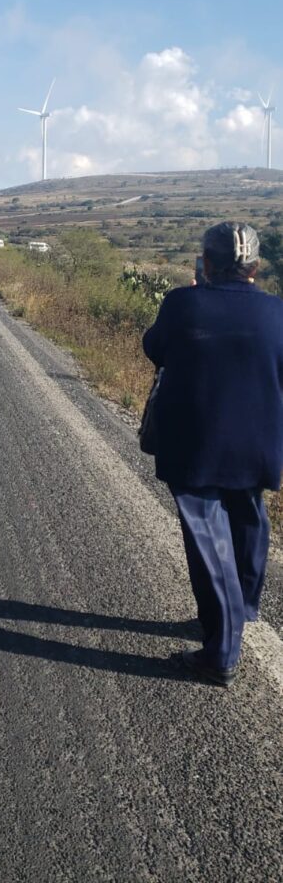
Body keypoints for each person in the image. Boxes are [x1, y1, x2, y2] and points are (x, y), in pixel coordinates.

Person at [142, 222, 283, 687]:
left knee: (208, 534)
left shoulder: (183, 303)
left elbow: (155, 347)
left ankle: (221, 652)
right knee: (247, 517)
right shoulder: (276, 312)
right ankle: (242, 608)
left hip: (196, 442)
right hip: (260, 442)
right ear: (256, 268)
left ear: (205, 263)